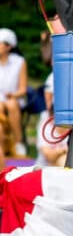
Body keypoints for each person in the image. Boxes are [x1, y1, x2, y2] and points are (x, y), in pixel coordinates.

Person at [0, 28, 27, 157]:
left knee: (11, 104)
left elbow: (23, 90)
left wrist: (13, 95)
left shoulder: (19, 62)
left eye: (0, 43)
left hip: (15, 99)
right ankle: (3, 145)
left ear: (9, 46)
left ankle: (18, 142)